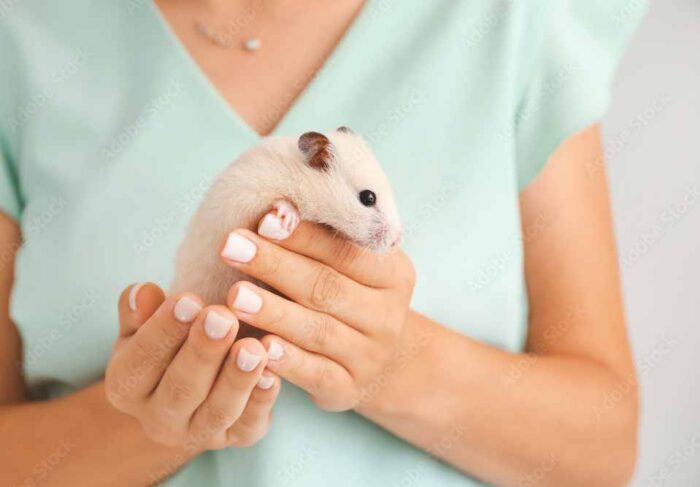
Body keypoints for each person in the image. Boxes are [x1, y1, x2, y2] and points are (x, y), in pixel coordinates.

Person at [0, 1, 648, 486]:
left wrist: (389, 363)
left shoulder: (513, 20)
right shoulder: (23, 39)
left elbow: (605, 442)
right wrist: (158, 414)